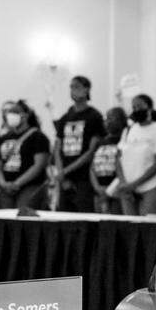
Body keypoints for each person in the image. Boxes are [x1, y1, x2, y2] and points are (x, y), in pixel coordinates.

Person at [53, 76, 105, 213]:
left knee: (83, 214)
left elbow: (91, 151)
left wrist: (66, 171)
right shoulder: (65, 118)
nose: (73, 90)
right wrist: (61, 173)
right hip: (64, 176)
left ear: (86, 89)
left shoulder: (94, 116)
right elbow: (57, 148)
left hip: (84, 175)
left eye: (76, 86)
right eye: (71, 87)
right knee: (64, 215)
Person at [114, 93, 156, 215]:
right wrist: (124, 183)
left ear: (149, 107)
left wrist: (135, 184)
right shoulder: (129, 129)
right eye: (133, 107)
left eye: (139, 106)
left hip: (151, 185)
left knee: (148, 228)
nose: (136, 110)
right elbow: (118, 157)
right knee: (130, 227)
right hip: (127, 187)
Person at [0, 101, 51, 210]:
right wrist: (3, 183)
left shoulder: (38, 137)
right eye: (8, 113)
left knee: (24, 216)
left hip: (30, 186)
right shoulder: (4, 138)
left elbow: (38, 165)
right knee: (5, 219)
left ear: (25, 115)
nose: (9, 116)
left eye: (14, 112)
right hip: (6, 187)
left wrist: (17, 183)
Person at [89, 107, 126, 214]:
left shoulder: (124, 141)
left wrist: (110, 189)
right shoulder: (101, 141)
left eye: (112, 118)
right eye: (106, 118)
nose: (108, 122)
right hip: (99, 189)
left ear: (122, 121)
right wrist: (96, 187)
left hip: (116, 190)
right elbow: (92, 167)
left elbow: (124, 166)